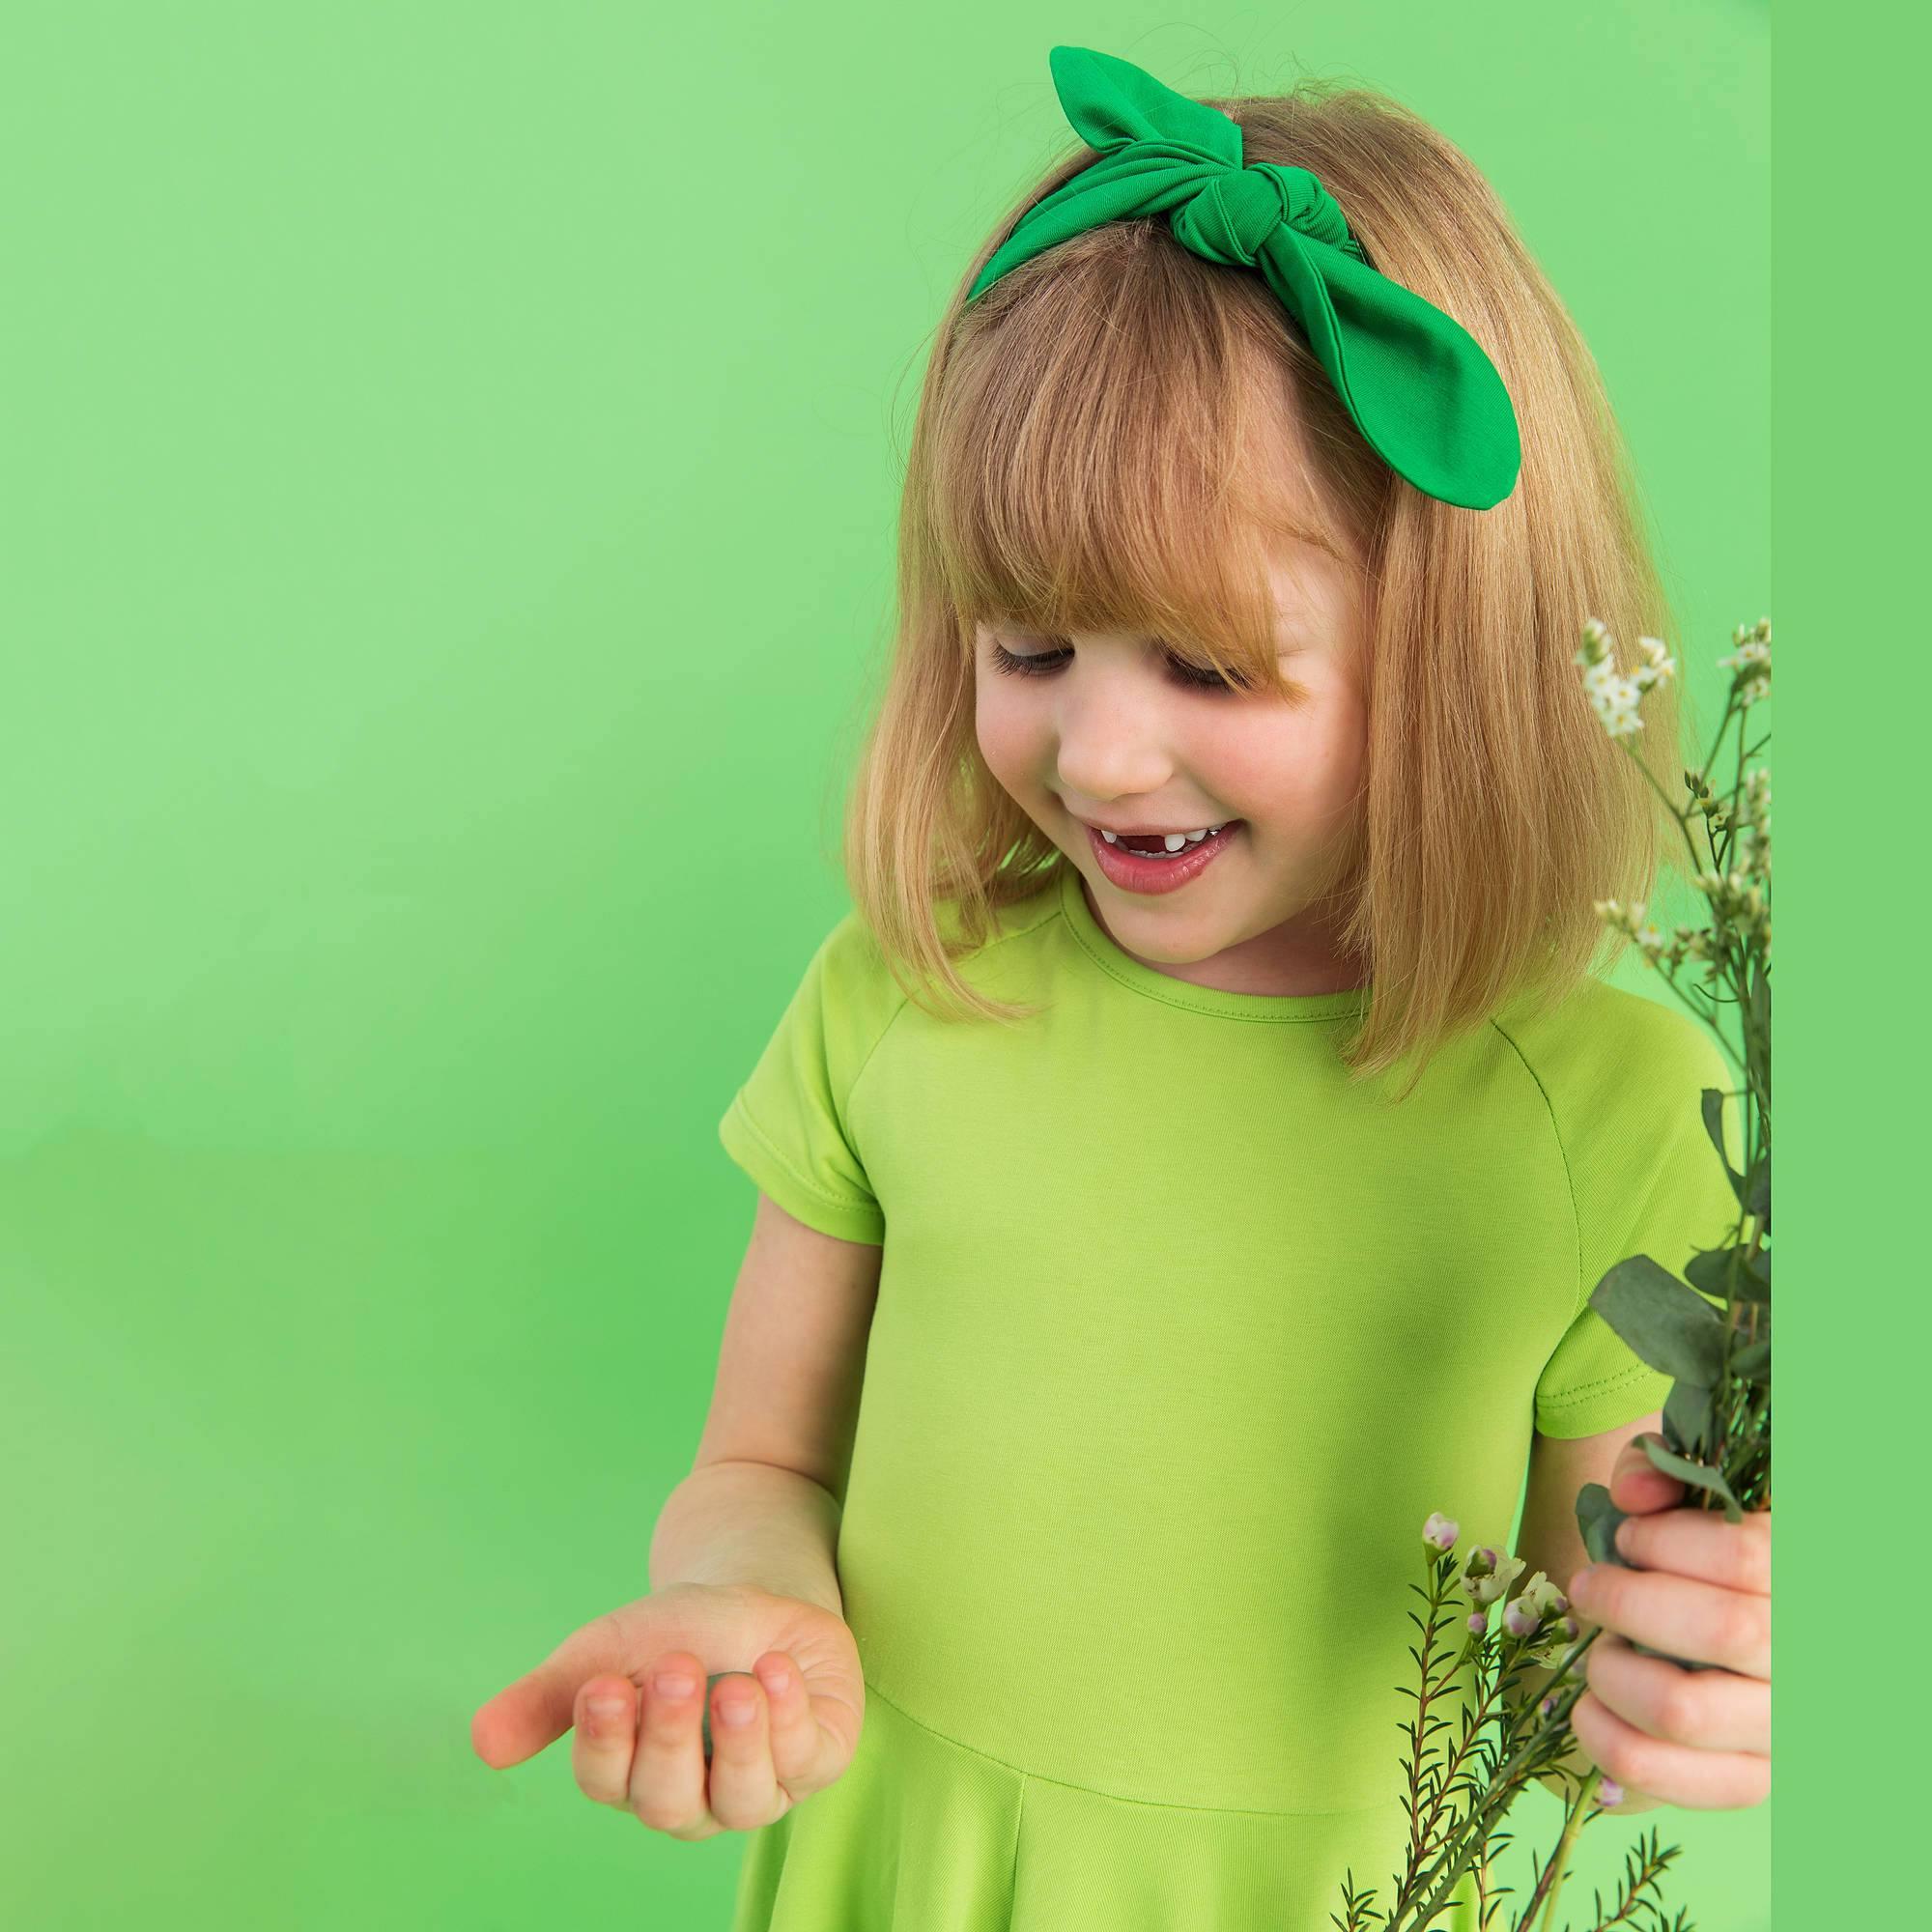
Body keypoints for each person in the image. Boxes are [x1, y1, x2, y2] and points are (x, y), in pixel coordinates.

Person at [470, 45, 1772, 1930]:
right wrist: (745, 1615)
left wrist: (1703, 1666)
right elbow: (756, 1457)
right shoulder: (908, 996)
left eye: (1211, 672)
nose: (1092, 753)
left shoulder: (1610, 1115)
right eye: (1030, 641)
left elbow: (1571, 1706)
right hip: (902, 1866)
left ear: (1454, 655)